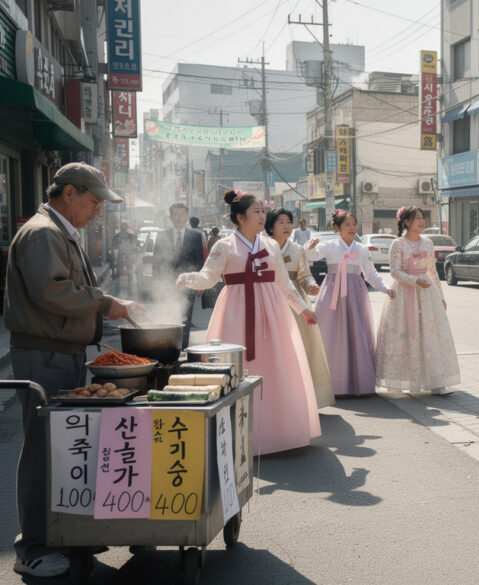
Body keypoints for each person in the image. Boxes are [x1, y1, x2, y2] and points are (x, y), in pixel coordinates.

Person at [3, 163, 144, 578]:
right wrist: (104, 303)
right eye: (94, 200)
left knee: (63, 449)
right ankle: (31, 548)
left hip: (61, 352)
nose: (98, 210)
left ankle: (64, 533)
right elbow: (53, 290)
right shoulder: (43, 232)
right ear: (69, 192)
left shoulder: (60, 230)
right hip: (44, 355)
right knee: (42, 451)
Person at [177, 190, 321, 455]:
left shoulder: (271, 245)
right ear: (240, 217)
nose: (262, 216)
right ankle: (236, 436)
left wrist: (302, 310)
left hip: (272, 314)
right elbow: (209, 278)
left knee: (276, 368)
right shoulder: (224, 246)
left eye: (262, 212)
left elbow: (283, 282)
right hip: (236, 313)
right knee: (237, 370)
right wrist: (187, 279)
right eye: (256, 211)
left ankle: (279, 432)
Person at [308, 210, 394, 396]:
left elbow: (371, 274)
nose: (352, 228)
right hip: (333, 293)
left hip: (355, 294)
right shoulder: (329, 246)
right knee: (333, 334)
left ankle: (358, 383)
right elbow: (309, 257)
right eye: (347, 224)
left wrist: (386, 288)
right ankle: (333, 384)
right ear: (337, 228)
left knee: (357, 333)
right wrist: (309, 245)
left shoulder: (362, 249)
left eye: (354, 224)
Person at [376, 206, 460, 394]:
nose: (422, 222)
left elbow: (433, 271)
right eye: (417, 218)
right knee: (405, 335)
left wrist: (441, 296)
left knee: (429, 335)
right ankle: (406, 380)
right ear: (406, 222)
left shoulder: (428, 243)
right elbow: (394, 271)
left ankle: (437, 383)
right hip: (405, 296)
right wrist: (415, 280)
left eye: (423, 218)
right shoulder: (398, 244)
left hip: (426, 294)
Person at [267, 208, 334, 407]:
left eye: (289, 222)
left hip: (295, 300)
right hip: (271, 297)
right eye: (281, 222)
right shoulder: (264, 248)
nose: (287, 226)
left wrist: (311, 285)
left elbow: (304, 275)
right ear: (270, 227)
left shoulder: (297, 249)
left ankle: (302, 397)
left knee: (301, 347)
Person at [152, 202, 205, 348]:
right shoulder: (162, 235)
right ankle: (168, 348)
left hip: (187, 284)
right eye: (175, 214)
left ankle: (183, 350)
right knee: (167, 316)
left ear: (187, 216)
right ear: (170, 217)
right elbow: (156, 260)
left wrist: (201, 281)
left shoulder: (195, 236)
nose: (179, 217)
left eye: (182, 214)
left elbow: (199, 261)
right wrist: (156, 281)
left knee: (185, 319)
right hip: (166, 283)